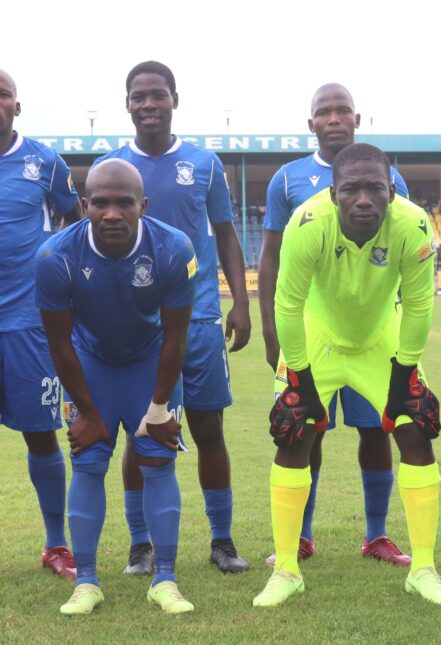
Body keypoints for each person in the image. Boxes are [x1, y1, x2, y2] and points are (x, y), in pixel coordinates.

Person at [253, 143, 441, 607]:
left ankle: (424, 568)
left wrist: (405, 375)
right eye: (351, 189)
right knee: (293, 435)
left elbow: (419, 303)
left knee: (416, 429)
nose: (364, 199)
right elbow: (288, 305)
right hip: (316, 338)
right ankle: (287, 570)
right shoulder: (306, 223)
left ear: (391, 191)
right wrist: (299, 379)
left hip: (380, 339)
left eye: (375, 189)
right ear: (333, 193)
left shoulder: (413, 224)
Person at [95, 61, 251, 575]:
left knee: (208, 427)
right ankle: (140, 545)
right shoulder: (112, 165)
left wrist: (240, 300)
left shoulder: (204, 163)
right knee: (142, 432)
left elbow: (224, 232)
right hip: (137, 325)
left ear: (174, 100)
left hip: (199, 317)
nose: (148, 104)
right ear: (127, 104)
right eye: (138, 96)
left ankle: (222, 540)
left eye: (157, 95)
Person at [36, 159, 198, 615]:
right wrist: (88, 413)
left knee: (158, 462)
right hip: (91, 366)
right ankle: (86, 582)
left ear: (143, 205)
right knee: (87, 463)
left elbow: (176, 338)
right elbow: (59, 344)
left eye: (124, 203)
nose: (112, 214)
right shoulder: (54, 256)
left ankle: (165, 579)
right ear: (84, 204)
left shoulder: (174, 248)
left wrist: (159, 408)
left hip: (151, 363)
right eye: (101, 203)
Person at [258, 83, 410, 566]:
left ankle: (377, 535)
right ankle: (301, 536)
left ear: (357, 118)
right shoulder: (287, 180)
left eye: (343, 110)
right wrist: (271, 329)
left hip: (372, 332)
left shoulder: (390, 177)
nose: (334, 118)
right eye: (324, 112)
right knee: (305, 429)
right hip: (310, 333)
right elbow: (270, 255)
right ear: (311, 124)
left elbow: (402, 253)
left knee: (377, 431)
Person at [0, 69, 82, 579]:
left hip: (27, 322)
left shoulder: (44, 162)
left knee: (40, 433)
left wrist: (62, 275)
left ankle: (56, 544)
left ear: (17, 105)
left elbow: (76, 220)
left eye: (2, 94)